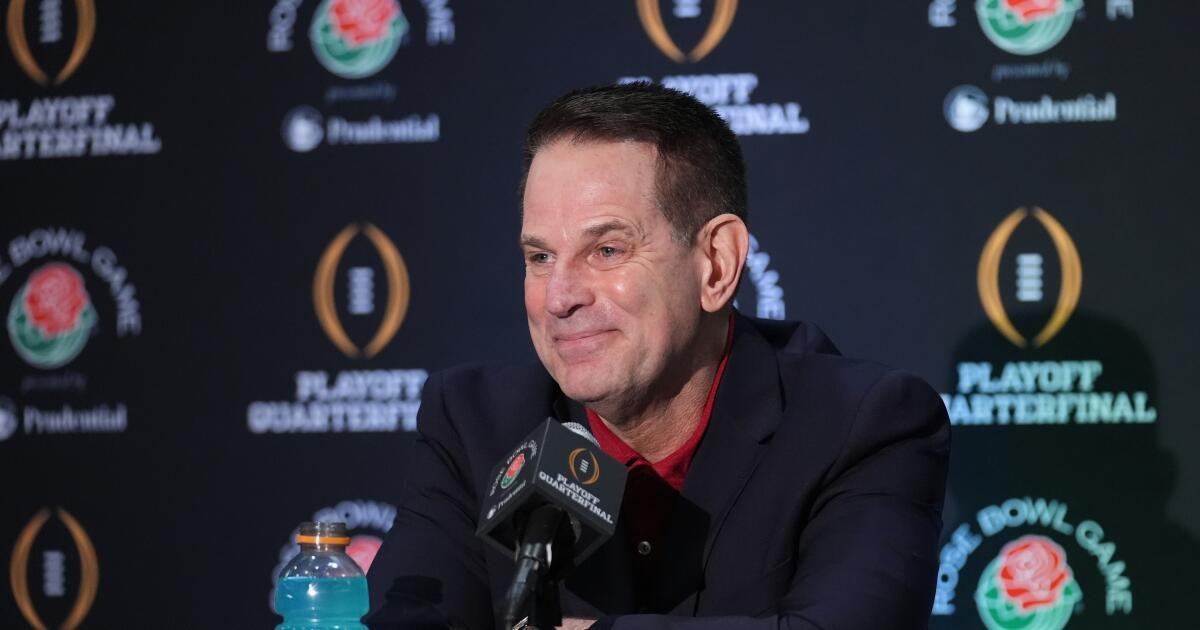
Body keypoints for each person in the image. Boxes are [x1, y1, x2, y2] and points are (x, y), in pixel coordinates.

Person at [365, 83, 950, 629]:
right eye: (540, 258)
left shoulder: (863, 425)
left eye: (607, 250)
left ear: (716, 264)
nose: (560, 298)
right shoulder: (474, 426)